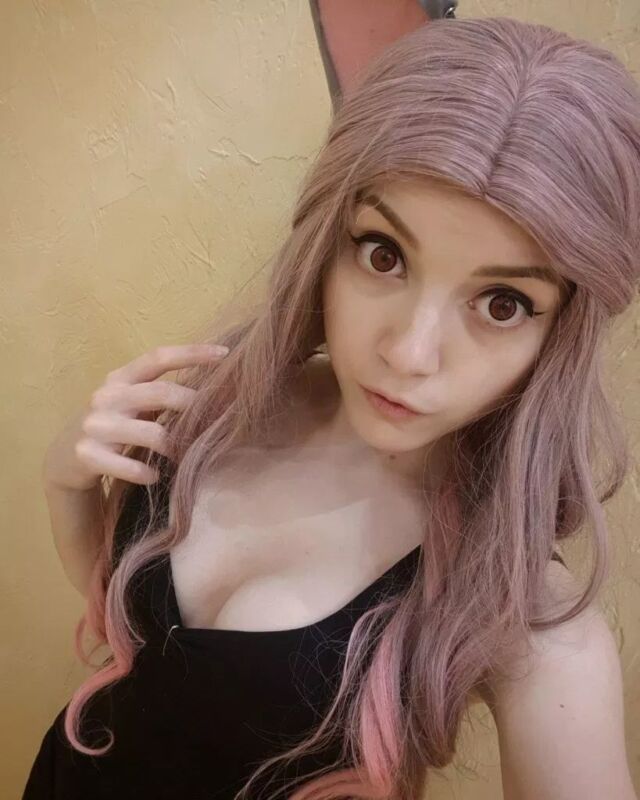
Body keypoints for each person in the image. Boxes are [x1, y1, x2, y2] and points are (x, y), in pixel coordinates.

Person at [23, 15, 640, 800]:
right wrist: (67, 487)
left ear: (561, 331)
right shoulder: (216, 404)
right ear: (329, 238)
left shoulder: (526, 616)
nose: (410, 354)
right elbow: (138, 641)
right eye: (384, 254)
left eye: (502, 303)